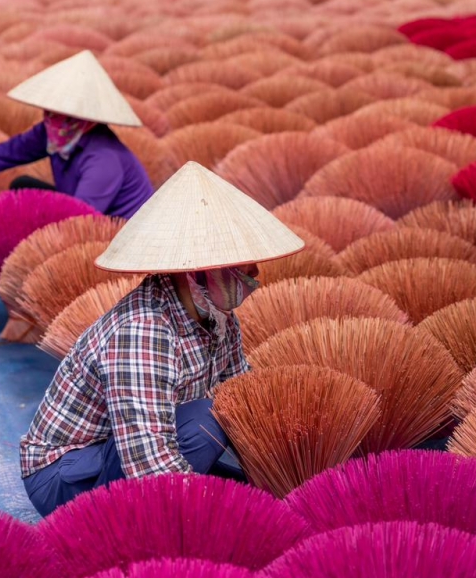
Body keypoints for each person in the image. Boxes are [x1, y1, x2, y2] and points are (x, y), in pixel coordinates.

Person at [19, 161, 305, 517]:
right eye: (242, 263)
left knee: (245, 487)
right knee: (205, 423)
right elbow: (147, 457)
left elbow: (241, 398)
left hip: (126, 451)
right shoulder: (143, 331)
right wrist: (207, 519)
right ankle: (137, 524)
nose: (255, 274)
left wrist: (276, 470)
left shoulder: (219, 317)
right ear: (197, 271)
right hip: (65, 476)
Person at [0, 50, 153, 220]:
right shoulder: (54, 135)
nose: (51, 121)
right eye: (48, 112)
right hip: (80, 211)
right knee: (22, 188)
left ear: (85, 119)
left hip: (117, 239)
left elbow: (80, 221)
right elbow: (5, 154)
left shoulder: (104, 159)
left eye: (62, 115)